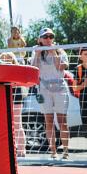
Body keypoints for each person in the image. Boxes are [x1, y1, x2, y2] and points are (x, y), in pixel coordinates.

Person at [31, 28, 70, 160]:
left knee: (62, 120)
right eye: (45, 37)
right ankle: (53, 151)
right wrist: (37, 54)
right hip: (44, 89)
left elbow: (61, 67)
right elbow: (34, 70)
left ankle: (65, 151)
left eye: (50, 36)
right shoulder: (36, 51)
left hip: (60, 87)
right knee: (48, 120)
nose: (48, 39)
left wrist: (53, 52)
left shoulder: (60, 50)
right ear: (40, 39)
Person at [0, 51, 26, 157]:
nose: (5, 60)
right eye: (3, 58)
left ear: (12, 59)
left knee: (17, 123)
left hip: (16, 96)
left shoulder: (16, 69)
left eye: (8, 58)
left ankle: (21, 149)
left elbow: (19, 82)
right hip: (4, 96)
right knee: (6, 124)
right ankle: (10, 148)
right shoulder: (0, 69)